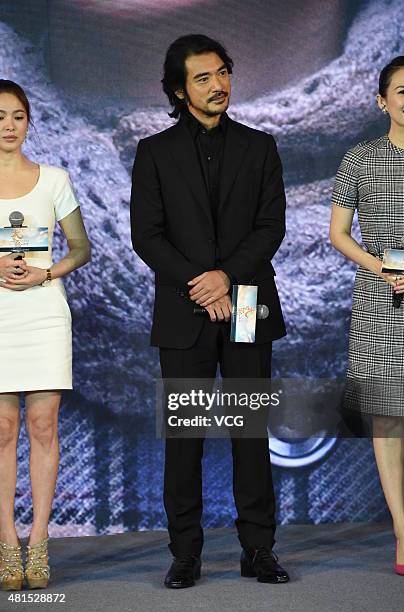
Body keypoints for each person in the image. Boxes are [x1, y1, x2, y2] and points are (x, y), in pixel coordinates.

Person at [130, 34, 289, 588]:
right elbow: (146, 237)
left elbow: (271, 227)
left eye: (223, 72)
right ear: (179, 89)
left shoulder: (260, 145)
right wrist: (203, 285)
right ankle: (186, 553)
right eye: (203, 77)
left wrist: (226, 277)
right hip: (185, 304)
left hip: (246, 300)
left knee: (250, 431)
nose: (218, 84)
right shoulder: (153, 152)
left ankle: (258, 549)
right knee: (186, 435)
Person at [0, 80, 91, 590]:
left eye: (16, 116)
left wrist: (46, 272)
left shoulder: (54, 179)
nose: (8, 126)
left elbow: (80, 248)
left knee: (42, 424)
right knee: (2, 430)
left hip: (43, 311)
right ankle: (6, 543)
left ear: (29, 122)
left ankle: (38, 541)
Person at [330, 56, 404, 576]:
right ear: (383, 100)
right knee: (389, 418)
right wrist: (382, 267)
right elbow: (338, 234)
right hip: (382, 296)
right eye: (402, 90)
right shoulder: (358, 159)